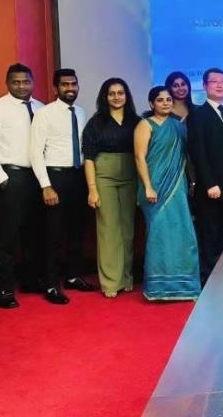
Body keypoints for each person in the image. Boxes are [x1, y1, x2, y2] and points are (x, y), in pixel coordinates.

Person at [0, 63, 44, 308]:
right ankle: (3, 288)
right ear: (7, 83)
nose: (21, 86)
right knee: (7, 236)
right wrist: (0, 179)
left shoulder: (41, 108)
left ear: (32, 82)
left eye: (26, 81)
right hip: (10, 176)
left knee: (34, 232)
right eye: (16, 82)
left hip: (38, 177)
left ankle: (30, 280)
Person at [30, 68, 95, 305]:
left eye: (73, 84)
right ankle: (51, 284)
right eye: (65, 84)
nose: (70, 88)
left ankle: (73, 276)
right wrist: (46, 186)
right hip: (55, 177)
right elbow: (35, 152)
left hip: (78, 177)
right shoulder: (44, 114)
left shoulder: (81, 111)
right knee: (53, 234)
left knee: (77, 231)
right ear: (55, 88)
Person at [135, 86, 201, 300]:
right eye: (160, 100)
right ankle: (157, 288)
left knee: (183, 232)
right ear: (151, 103)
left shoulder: (179, 126)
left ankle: (185, 286)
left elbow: (186, 156)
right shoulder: (145, 125)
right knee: (159, 234)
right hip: (154, 188)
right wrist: (148, 186)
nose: (165, 103)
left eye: (168, 99)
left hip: (177, 187)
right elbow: (139, 157)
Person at [82, 78, 140, 298]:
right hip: (103, 177)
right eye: (112, 93)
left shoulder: (136, 121)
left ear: (127, 96)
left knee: (128, 229)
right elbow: (89, 158)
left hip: (131, 177)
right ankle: (110, 282)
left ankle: (126, 278)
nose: (116, 97)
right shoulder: (95, 123)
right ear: (105, 97)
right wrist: (92, 189)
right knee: (108, 229)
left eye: (120, 93)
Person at [189, 68, 223, 285]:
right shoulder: (198, 115)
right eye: (214, 82)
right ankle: (209, 281)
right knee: (210, 233)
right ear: (204, 86)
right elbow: (198, 153)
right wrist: (210, 183)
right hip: (213, 187)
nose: (220, 85)